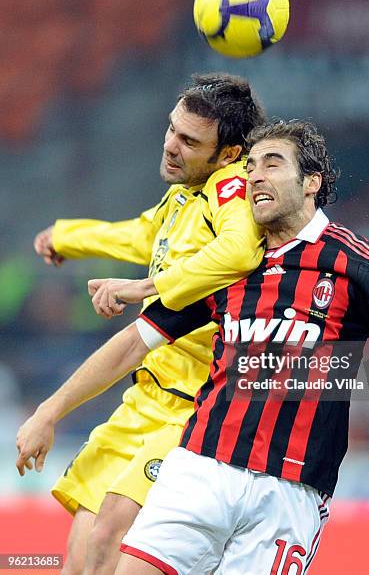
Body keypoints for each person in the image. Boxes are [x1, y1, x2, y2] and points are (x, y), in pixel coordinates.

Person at [112, 120, 369, 574]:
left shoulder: (354, 261)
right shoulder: (232, 260)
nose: (255, 177)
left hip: (292, 491)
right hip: (201, 467)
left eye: (273, 163)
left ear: (311, 183)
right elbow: (138, 340)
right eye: (250, 167)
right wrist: (50, 412)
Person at [17, 73, 266, 575]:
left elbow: (240, 250)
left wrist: (146, 288)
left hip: (196, 409)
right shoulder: (183, 197)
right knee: (80, 560)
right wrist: (70, 236)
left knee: (112, 530)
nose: (171, 146)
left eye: (190, 141)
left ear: (228, 154)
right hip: (145, 401)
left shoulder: (231, 190)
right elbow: (141, 237)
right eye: (172, 130)